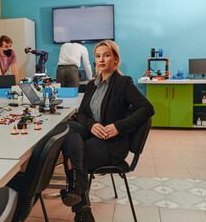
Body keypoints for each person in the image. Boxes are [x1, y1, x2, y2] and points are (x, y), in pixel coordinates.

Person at [59, 40, 154, 222]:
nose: (101, 60)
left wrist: (118, 127)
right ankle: (80, 197)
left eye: (106, 55)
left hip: (112, 143)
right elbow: (82, 115)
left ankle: (82, 208)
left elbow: (147, 108)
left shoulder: (123, 83)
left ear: (116, 60)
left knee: (73, 153)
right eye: (97, 56)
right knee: (66, 128)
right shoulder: (92, 84)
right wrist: (92, 125)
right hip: (94, 134)